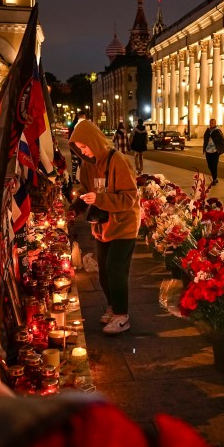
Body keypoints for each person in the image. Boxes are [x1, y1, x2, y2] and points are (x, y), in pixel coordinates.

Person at [69, 120, 141, 333]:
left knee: (115, 270)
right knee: (104, 273)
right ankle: (113, 306)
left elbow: (129, 198)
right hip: (102, 227)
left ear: (95, 141)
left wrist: (99, 199)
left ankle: (122, 316)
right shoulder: (88, 164)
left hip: (124, 226)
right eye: (79, 148)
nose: (83, 152)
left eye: (85, 146)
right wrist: (75, 208)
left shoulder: (118, 161)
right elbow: (86, 190)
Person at [202, 118, 224, 186]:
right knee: (209, 166)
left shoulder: (217, 131)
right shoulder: (207, 131)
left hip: (215, 151)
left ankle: (214, 179)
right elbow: (205, 140)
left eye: (212, 123)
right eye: (210, 123)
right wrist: (204, 149)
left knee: (214, 166)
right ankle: (215, 178)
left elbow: (222, 140)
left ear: (215, 123)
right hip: (208, 151)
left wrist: (220, 149)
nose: (211, 124)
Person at [68, 112, 87, 183]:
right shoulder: (77, 125)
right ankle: (75, 178)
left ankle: (78, 178)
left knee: (78, 163)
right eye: (83, 118)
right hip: (76, 147)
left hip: (75, 147)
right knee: (77, 163)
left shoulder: (75, 124)